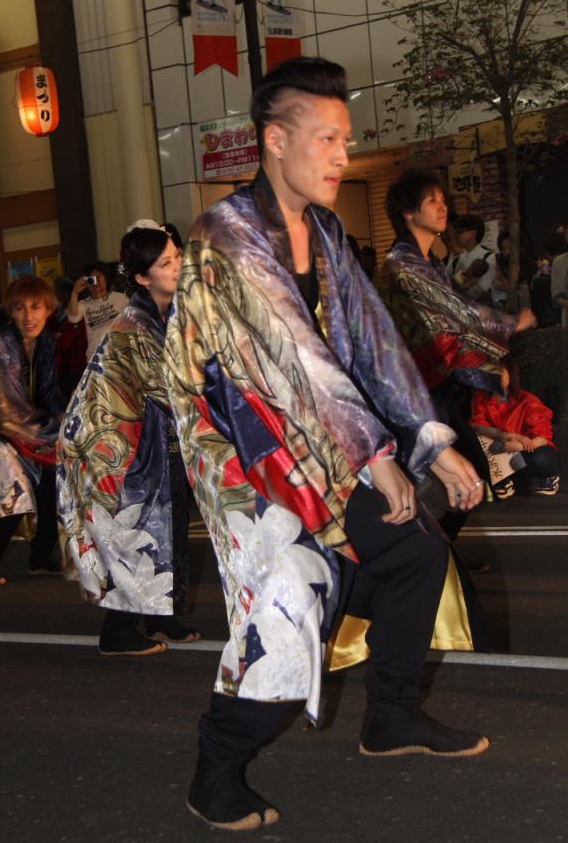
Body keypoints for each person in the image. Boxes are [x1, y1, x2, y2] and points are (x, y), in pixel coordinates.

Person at [165, 57, 487, 832]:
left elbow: (371, 342)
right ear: (276, 140)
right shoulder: (225, 234)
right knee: (293, 599)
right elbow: (293, 355)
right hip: (247, 453)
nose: (343, 155)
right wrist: (378, 454)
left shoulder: (328, 230)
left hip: (323, 438)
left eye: (347, 138)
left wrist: (431, 438)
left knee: (414, 553)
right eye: (328, 138)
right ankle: (215, 772)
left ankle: (392, 717)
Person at [58, 227, 200, 656]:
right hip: (125, 448)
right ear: (141, 277)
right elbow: (174, 388)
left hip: (152, 439)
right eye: (166, 264)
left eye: (177, 257)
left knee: (169, 527)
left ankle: (163, 616)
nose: (177, 267)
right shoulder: (135, 324)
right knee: (138, 533)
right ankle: (117, 631)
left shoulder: (164, 312)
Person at [380, 169, 535, 535]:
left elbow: (454, 305)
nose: (442, 207)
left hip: (434, 384)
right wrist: (511, 324)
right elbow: (459, 312)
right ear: (408, 212)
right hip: (412, 391)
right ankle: (427, 559)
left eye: (443, 200)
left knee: (463, 478)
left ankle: (436, 557)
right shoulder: (403, 265)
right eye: (432, 201)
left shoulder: (428, 261)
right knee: (458, 476)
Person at [0, 276, 65, 586]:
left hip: (23, 425)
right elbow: (6, 407)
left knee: (53, 481)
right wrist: (45, 434)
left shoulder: (46, 342)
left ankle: (40, 558)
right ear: (10, 310)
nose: (28, 316)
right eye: (19, 308)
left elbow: (50, 391)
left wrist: (67, 420)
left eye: (36, 307)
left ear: (49, 309)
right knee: (11, 485)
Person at [471, 356, 560, 497]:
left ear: (510, 375)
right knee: (480, 445)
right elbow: (478, 426)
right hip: (500, 449)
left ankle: (549, 477)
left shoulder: (527, 400)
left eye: (500, 372)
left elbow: (543, 437)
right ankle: (502, 481)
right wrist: (509, 436)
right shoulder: (480, 399)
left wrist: (519, 446)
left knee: (541, 457)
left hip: (527, 451)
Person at [67, 260, 128, 360]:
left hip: (119, 356)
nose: (96, 283)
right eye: (92, 280)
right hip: (96, 359)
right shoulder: (84, 304)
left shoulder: (120, 298)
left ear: (106, 278)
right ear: (86, 283)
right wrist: (75, 293)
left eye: (99, 277)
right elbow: (73, 319)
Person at [447, 214, 497, 303]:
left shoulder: (489, 257)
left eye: (459, 232)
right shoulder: (455, 261)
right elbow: (444, 281)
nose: (456, 236)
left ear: (472, 233)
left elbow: (483, 288)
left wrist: (460, 297)